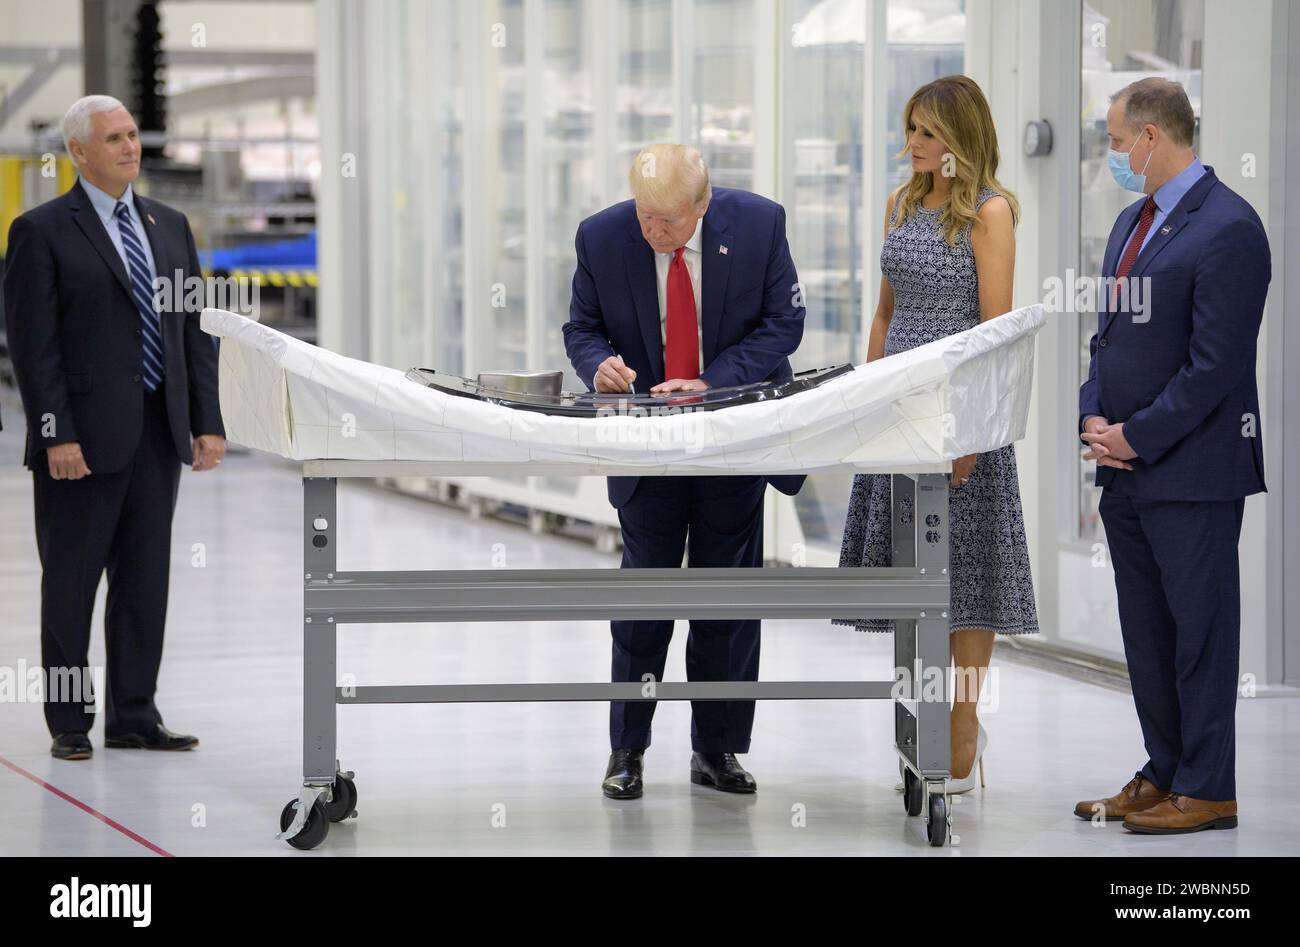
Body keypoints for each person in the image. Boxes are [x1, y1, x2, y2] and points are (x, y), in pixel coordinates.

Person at [563, 143, 805, 798]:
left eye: (669, 222)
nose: (655, 232)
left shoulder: (759, 225)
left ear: (704, 203)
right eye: (646, 216)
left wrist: (710, 384)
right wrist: (599, 365)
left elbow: (785, 325)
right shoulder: (603, 236)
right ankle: (627, 749)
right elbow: (581, 327)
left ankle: (717, 749)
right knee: (643, 600)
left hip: (730, 438)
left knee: (726, 599)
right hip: (648, 447)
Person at [3, 95, 226, 760]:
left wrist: (206, 422)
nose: (130, 147)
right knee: (71, 586)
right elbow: (33, 348)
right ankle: (70, 721)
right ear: (78, 152)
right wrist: (54, 434)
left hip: (158, 435)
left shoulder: (170, 225)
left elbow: (193, 332)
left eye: (132, 134)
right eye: (114, 138)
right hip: (80, 443)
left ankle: (134, 712)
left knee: (143, 582)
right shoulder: (42, 231)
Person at [1074, 78, 1269, 834]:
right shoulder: (1132, 220)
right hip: (1124, 470)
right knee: (1148, 636)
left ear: (1153, 137)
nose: (1114, 155)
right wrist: (1093, 412)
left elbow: (1215, 366)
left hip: (1191, 472)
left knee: (1200, 634)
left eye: (1119, 142)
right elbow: (1108, 338)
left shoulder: (1229, 227)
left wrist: (1138, 435)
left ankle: (1209, 786)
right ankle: (1165, 769)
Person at [835, 75, 1037, 795]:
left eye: (927, 133)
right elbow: (885, 316)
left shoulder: (990, 212)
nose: (913, 144)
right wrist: (867, 395)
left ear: (961, 138)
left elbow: (992, 333)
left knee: (969, 578)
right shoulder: (899, 204)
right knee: (910, 579)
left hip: (960, 416)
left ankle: (962, 718)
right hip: (898, 410)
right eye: (910, 130)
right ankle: (915, 716)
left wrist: (973, 431)